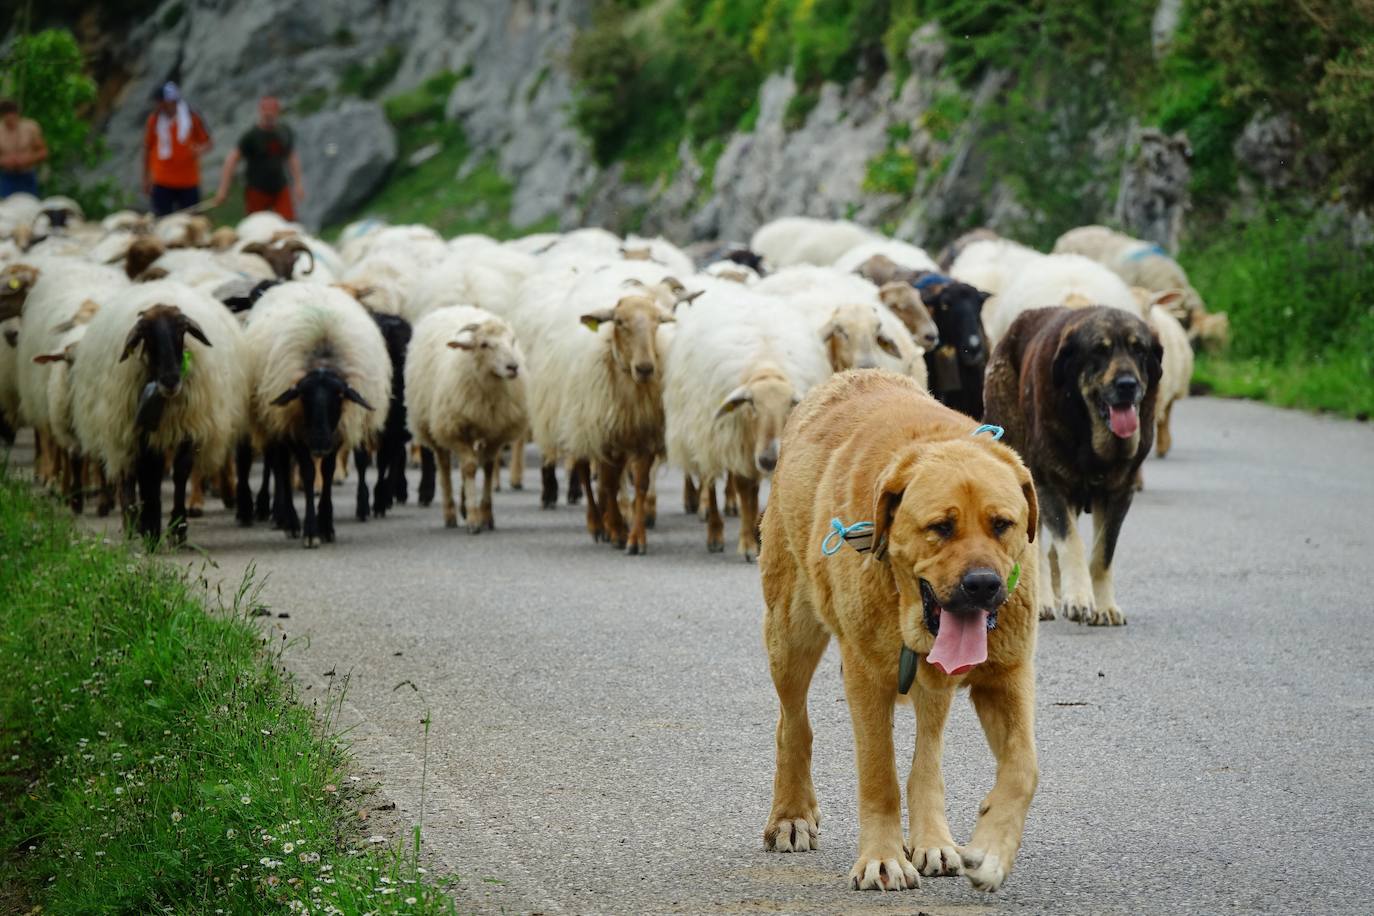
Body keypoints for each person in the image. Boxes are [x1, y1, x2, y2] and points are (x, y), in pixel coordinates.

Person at [212, 96, 305, 220]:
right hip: (257, 189)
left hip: (280, 186)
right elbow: (232, 160)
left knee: (288, 222)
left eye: (272, 111)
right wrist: (223, 189)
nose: (269, 114)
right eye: (266, 111)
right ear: (261, 111)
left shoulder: (284, 132)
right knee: (256, 224)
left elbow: (291, 157)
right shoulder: (252, 136)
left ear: (277, 112)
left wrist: (298, 184)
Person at [143, 82, 212, 216]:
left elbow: (208, 142)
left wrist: (199, 150)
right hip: (162, 181)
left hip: (188, 181)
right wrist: (146, 178)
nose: (158, 105)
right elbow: (147, 148)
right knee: (161, 220)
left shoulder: (192, 117)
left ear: (170, 102)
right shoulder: (155, 120)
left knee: (191, 221)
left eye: (161, 102)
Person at [0, 98, 48, 198]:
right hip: (7, 176)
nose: (10, 120)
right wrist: (4, 161)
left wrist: (28, 159)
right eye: (6, 116)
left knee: (30, 205)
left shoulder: (30, 127)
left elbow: (43, 152)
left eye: (12, 116)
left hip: (27, 175)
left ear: (17, 114)